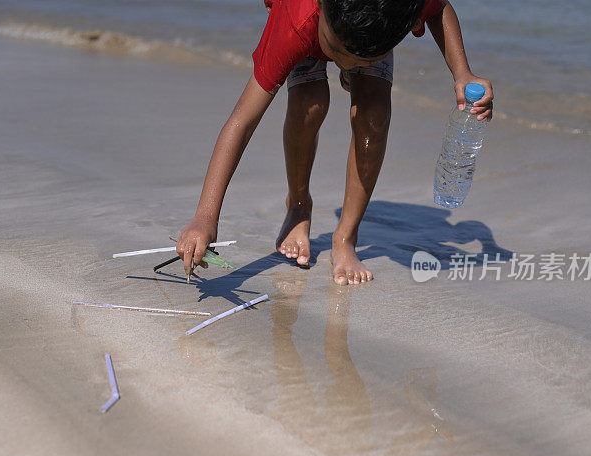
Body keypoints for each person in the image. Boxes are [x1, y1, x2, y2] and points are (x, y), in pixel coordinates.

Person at [177, 0, 493, 285]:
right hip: (307, 24)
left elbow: (438, 9)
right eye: (339, 55)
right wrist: (205, 217)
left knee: (374, 113)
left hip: (366, 23)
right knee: (310, 103)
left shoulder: (397, 8)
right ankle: (299, 206)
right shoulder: (295, 24)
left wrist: (462, 73)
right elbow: (242, 121)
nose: (342, 64)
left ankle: (346, 237)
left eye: (353, 62)